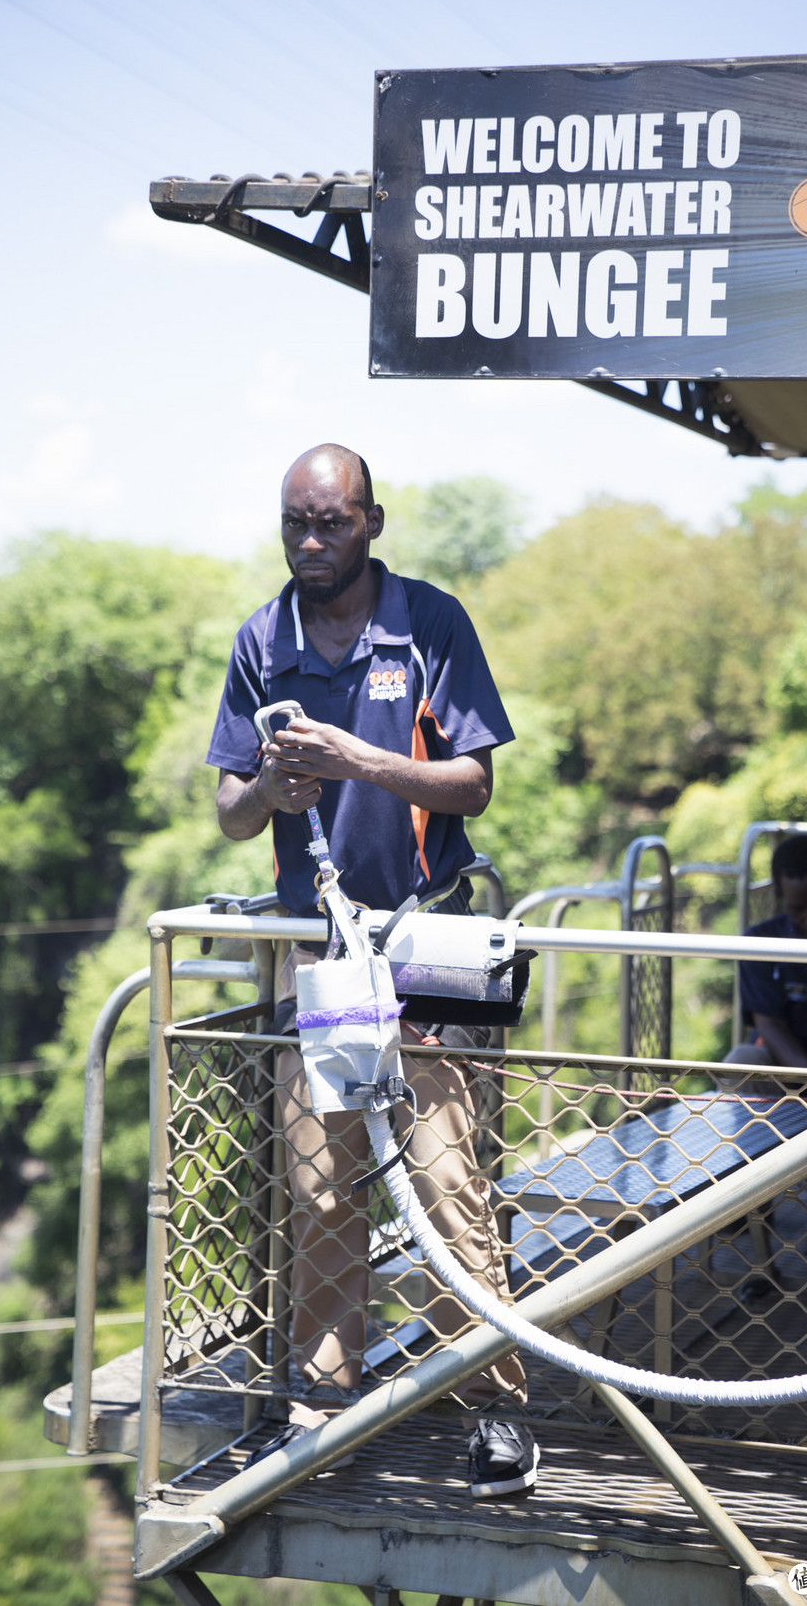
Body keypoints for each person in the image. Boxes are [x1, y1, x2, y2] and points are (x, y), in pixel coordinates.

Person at [206, 442, 536, 1499]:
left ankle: (493, 1406)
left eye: (332, 523)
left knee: (445, 1182)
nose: (311, 543)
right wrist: (275, 789)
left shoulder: (429, 623)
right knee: (322, 1187)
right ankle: (323, 1401)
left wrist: (361, 761)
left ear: (372, 523)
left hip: (427, 944)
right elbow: (227, 811)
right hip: (324, 954)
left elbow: (472, 787)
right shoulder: (264, 636)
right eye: (296, 524)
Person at [725, 834, 807, 1080]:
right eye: (797, 909)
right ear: (779, 896)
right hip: (789, 1069)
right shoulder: (761, 941)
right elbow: (769, 1024)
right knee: (742, 1061)